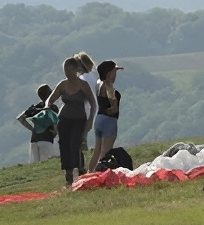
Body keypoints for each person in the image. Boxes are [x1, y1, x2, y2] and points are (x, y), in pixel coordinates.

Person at [45, 57, 98, 186]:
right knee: (64, 145)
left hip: (79, 119)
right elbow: (50, 99)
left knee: (76, 144)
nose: (66, 72)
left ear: (75, 69)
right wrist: (48, 108)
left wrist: (90, 120)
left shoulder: (83, 85)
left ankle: (80, 169)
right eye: (65, 70)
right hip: (64, 119)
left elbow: (93, 103)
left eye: (69, 69)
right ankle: (68, 172)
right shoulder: (62, 84)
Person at [87, 60, 124, 173]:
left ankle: (89, 173)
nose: (115, 75)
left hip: (98, 120)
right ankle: (100, 175)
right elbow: (114, 107)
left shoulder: (98, 84)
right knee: (105, 154)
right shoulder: (109, 87)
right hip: (109, 121)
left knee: (96, 151)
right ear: (108, 74)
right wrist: (113, 108)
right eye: (114, 72)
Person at [16, 84, 59, 164]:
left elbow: (20, 118)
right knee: (47, 164)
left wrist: (32, 129)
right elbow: (55, 123)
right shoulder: (52, 107)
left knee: (35, 165)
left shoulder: (35, 108)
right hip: (46, 141)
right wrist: (55, 132)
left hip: (34, 141)